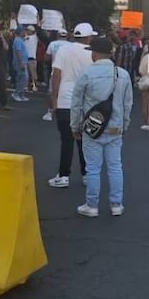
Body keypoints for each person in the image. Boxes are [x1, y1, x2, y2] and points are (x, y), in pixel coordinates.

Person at [71, 37, 133, 217]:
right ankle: (116, 204)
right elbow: (128, 103)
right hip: (115, 128)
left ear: (95, 53)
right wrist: (125, 124)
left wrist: (75, 126)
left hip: (92, 129)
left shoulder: (86, 74)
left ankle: (92, 205)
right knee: (115, 166)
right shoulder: (122, 74)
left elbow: (76, 104)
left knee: (93, 169)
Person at [48, 23, 94, 188]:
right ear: (89, 37)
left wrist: (53, 98)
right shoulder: (92, 53)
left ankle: (63, 175)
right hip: (86, 102)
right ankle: (87, 175)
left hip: (65, 100)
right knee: (85, 141)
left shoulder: (64, 50)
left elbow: (56, 75)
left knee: (66, 140)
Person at [11, 28, 31, 102]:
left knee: (23, 78)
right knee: (23, 78)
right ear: (20, 32)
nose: (25, 33)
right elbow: (18, 52)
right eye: (23, 31)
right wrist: (21, 63)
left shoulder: (21, 40)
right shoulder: (18, 40)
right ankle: (16, 93)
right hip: (20, 62)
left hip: (23, 62)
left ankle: (21, 95)